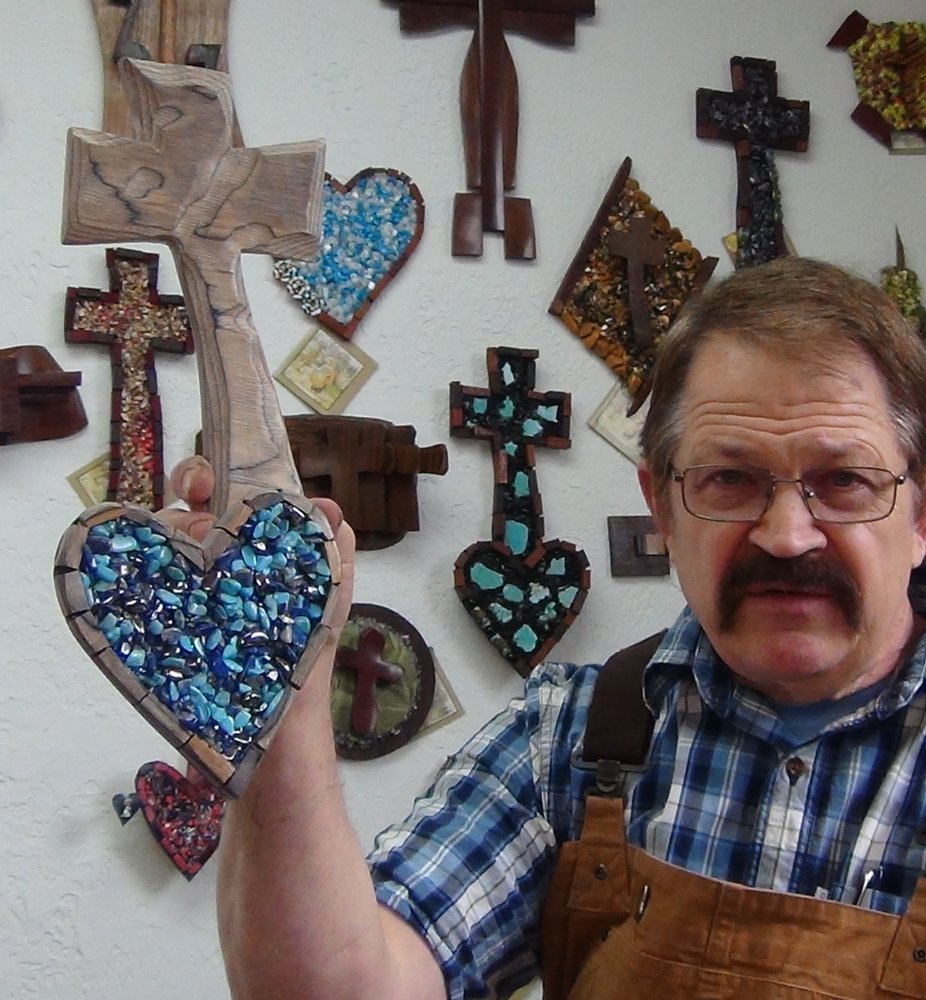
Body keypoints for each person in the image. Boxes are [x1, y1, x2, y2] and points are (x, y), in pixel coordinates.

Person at [167, 257, 926, 1000]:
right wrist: (281, 686)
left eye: (845, 481)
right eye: (729, 479)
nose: (787, 535)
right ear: (662, 511)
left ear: (920, 516)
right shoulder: (571, 738)